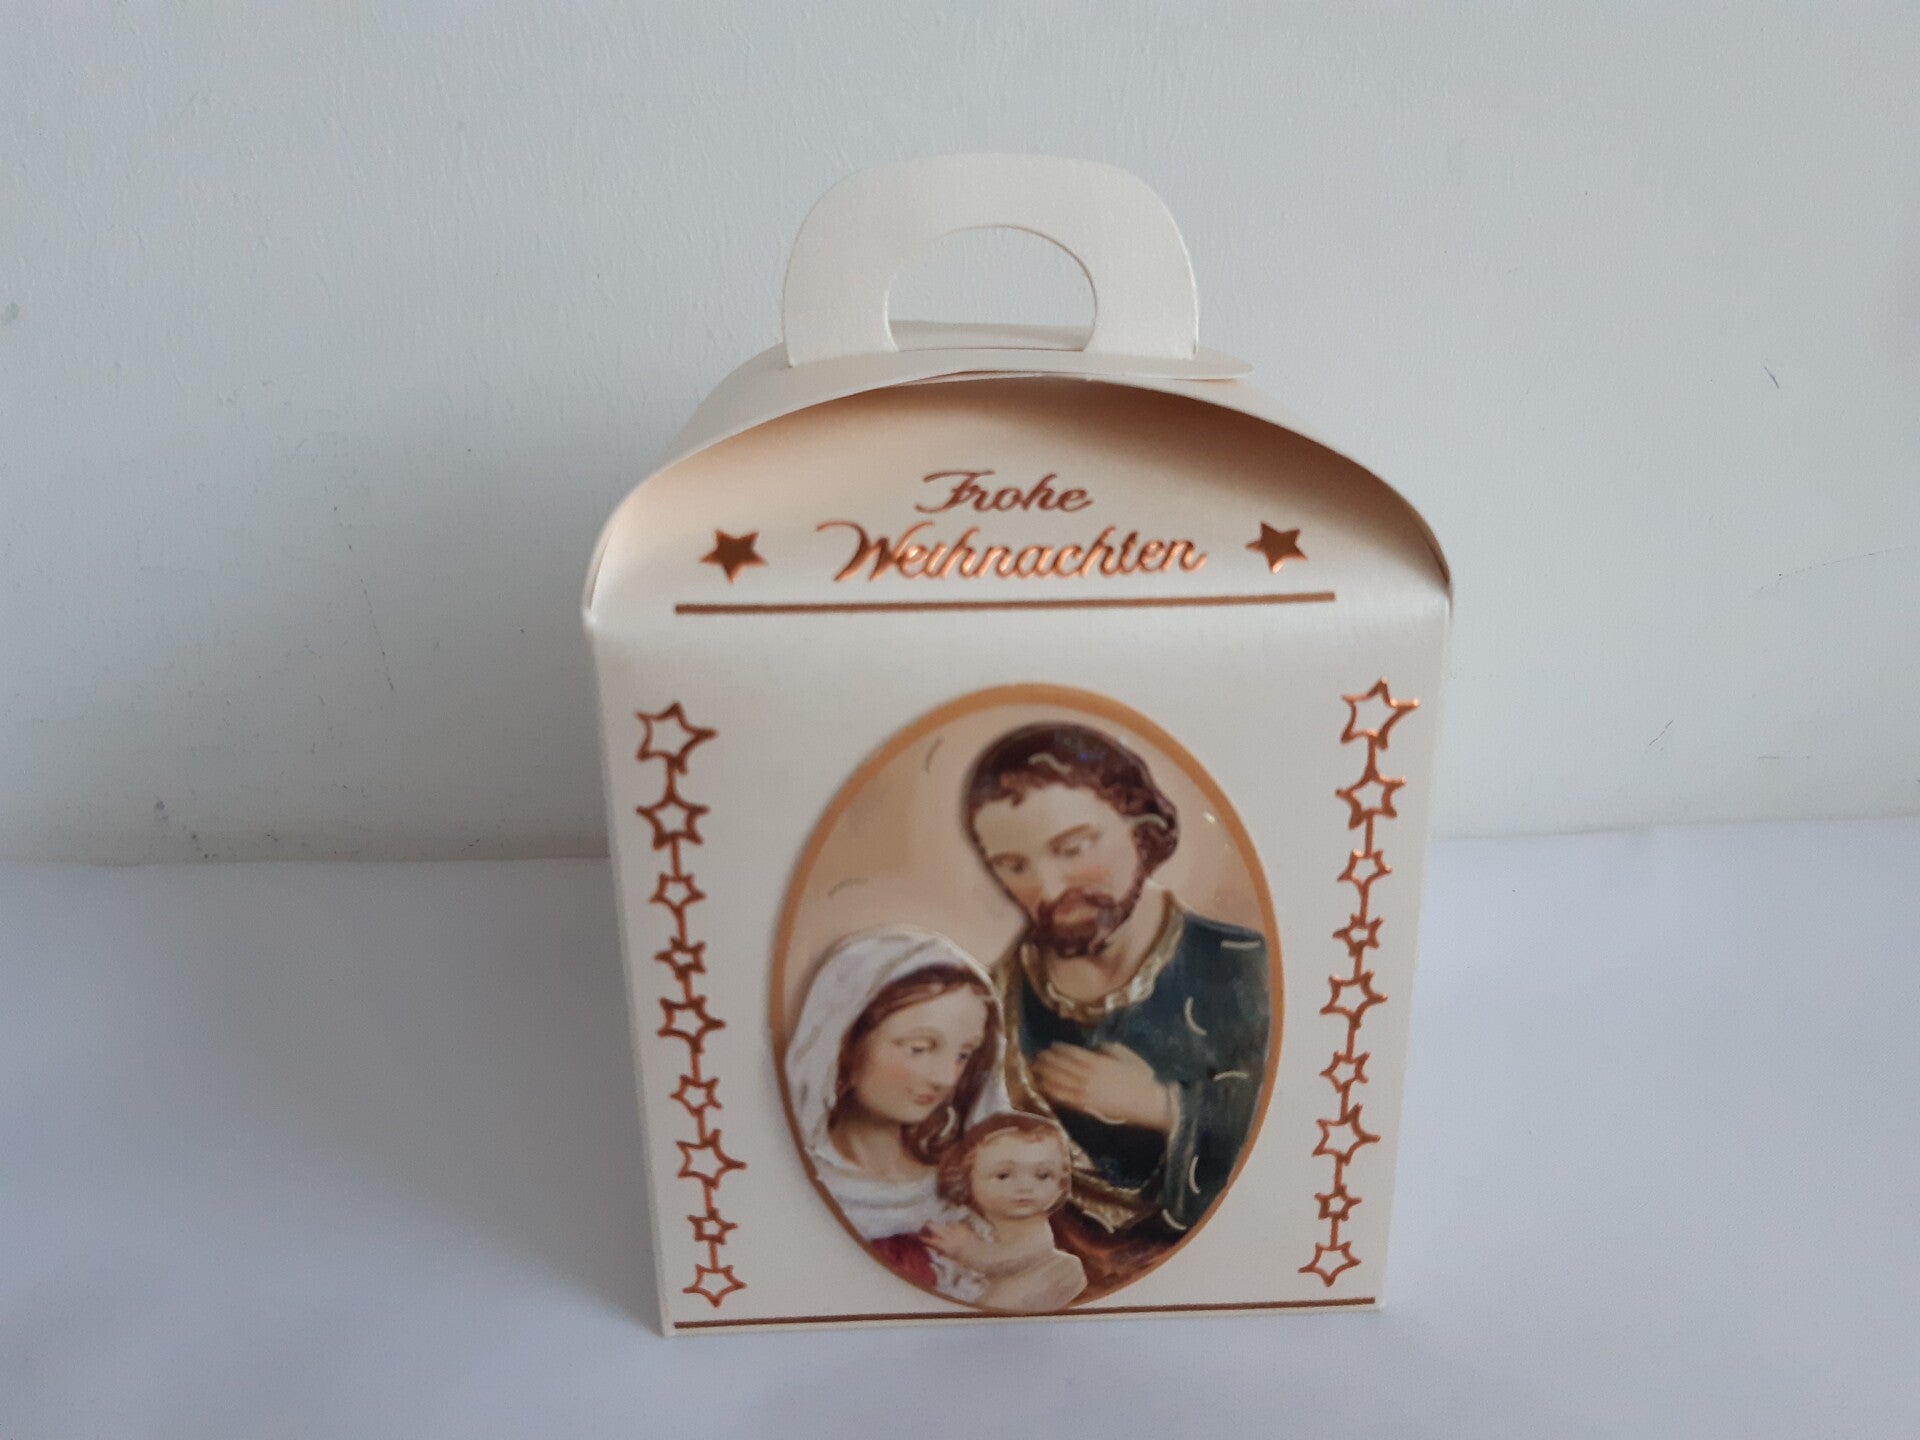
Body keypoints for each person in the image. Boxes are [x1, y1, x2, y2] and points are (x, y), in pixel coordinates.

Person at [964, 722, 1270, 1292]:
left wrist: (1162, 1106)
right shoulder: (990, 998)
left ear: (1143, 828)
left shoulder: (1240, 969)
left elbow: (1286, 1137)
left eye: (1073, 849)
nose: (1048, 889)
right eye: (1013, 865)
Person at [782, 927, 1008, 1298]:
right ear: (847, 1041)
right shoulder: (796, 1178)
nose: (945, 1077)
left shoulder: (965, 1184)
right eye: (920, 1048)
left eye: (963, 1054)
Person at [922, 1111, 1087, 1312]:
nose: (1025, 1187)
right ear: (967, 1178)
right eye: (1003, 1175)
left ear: (1061, 1185)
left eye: (1043, 1175)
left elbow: (1009, 1260)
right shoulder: (965, 1217)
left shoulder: (1034, 1226)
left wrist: (967, 1251)